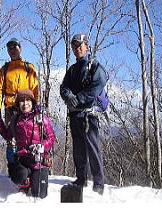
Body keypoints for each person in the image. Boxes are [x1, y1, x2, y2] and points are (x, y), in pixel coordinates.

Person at [60, 33, 107, 195]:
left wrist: (78, 99)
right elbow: (63, 87)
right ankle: (81, 178)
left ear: (87, 46)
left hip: (89, 115)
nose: (77, 48)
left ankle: (99, 182)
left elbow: (99, 84)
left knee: (93, 147)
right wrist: (68, 96)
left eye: (80, 45)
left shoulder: (94, 66)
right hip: (75, 115)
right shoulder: (72, 69)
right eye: (74, 46)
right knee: (78, 148)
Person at [0, 89, 56, 198]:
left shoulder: (41, 118)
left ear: (32, 102)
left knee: (40, 194)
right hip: (24, 160)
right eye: (22, 101)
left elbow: (51, 137)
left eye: (28, 100)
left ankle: (35, 179)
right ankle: (26, 180)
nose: (25, 103)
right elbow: (8, 135)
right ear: (18, 104)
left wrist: (42, 146)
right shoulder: (16, 119)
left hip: (39, 161)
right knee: (17, 177)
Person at [0, 38, 39, 126]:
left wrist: (36, 106)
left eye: (14, 48)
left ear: (20, 49)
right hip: (10, 109)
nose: (12, 51)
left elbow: (35, 88)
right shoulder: (4, 69)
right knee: (10, 137)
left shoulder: (29, 67)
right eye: (9, 49)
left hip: (26, 108)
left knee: (25, 136)